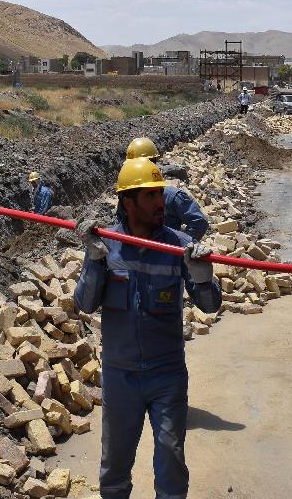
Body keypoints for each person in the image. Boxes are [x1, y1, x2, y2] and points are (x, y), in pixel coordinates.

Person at [74, 157, 222, 499]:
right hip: (119, 375)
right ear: (128, 202)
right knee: (114, 467)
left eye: (161, 194)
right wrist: (94, 263)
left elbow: (211, 306)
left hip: (166, 375)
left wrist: (203, 277)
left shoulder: (177, 245)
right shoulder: (106, 245)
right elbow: (84, 304)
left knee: (170, 460)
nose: (161, 202)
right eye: (151, 196)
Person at [125, 137, 210, 240]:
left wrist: (180, 247)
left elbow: (199, 222)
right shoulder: (127, 195)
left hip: (161, 253)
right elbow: (121, 222)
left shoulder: (171, 196)